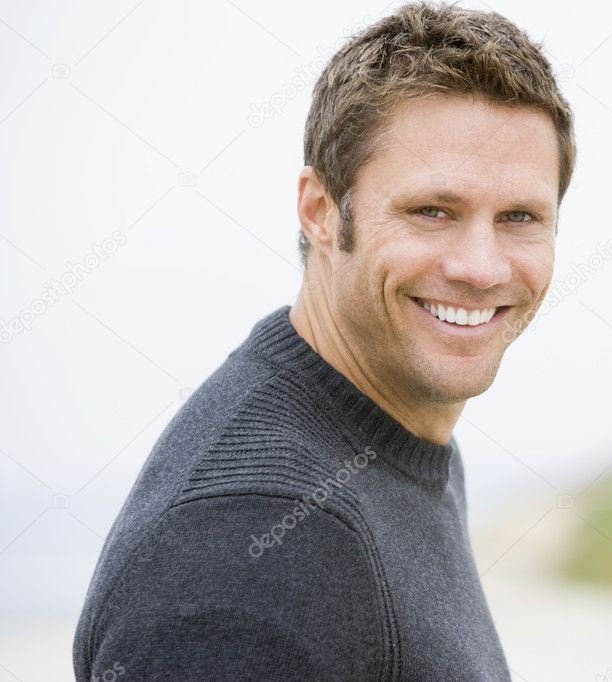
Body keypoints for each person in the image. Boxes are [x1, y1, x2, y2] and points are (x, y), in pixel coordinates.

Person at [72, 1, 576, 679]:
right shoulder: (252, 548)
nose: (480, 267)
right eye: (432, 211)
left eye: (519, 217)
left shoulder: (397, 438)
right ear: (319, 212)